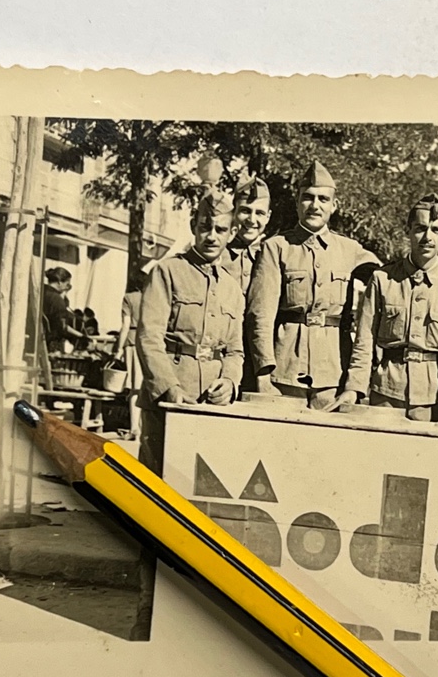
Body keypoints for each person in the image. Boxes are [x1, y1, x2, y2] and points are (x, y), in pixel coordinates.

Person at [130, 190, 244, 641]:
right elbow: (149, 337)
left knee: (204, 516)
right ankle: (146, 611)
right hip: (169, 405)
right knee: (157, 509)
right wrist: (172, 390)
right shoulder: (168, 272)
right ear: (193, 225)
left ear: (232, 232)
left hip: (211, 413)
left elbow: (235, 350)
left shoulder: (233, 286)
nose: (211, 235)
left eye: (220, 229)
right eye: (204, 226)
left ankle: (190, 621)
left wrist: (230, 382)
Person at [329, 193, 438, 421]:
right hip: (386, 393)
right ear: (408, 231)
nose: (427, 237)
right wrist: (354, 388)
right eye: (420, 228)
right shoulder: (383, 279)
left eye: (435, 230)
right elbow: (364, 341)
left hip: (434, 397)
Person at [246, 160, 382, 409]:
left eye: (323, 199)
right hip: (284, 372)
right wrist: (264, 375)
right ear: (297, 202)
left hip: (333, 373)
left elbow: (387, 285)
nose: (315, 206)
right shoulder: (277, 248)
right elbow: (260, 316)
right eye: (308, 198)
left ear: (334, 205)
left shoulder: (351, 250)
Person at [225, 176, 272, 392]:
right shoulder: (218, 254)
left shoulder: (275, 256)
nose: (252, 219)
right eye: (245, 210)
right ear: (234, 212)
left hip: (263, 363)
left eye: (260, 213)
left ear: (268, 217)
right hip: (223, 358)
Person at [109, 265, 153, 441]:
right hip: (149, 341)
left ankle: (134, 428)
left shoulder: (129, 298)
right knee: (145, 386)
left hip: (133, 342)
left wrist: (118, 349)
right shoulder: (151, 298)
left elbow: (125, 326)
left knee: (134, 388)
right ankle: (144, 427)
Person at [42, 267, 85, 350]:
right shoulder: (56, 299)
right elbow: (63, 327)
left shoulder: (41, 291)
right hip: (51, 343)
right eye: (67, 284)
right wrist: (82, 336)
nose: (67, 287)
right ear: (59, 282)